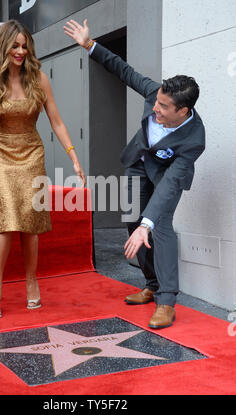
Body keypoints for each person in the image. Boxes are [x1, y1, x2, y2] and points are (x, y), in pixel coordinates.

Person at [64, 19, 205, 329]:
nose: (155, 108)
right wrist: (90, 45)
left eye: (163, 107)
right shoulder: (156, 93)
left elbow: (169, 186)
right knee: (132, 220)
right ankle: (152, 283)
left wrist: (148, 223)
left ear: (182, 111)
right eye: (156, 102)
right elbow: (124, 71)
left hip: (167, 176)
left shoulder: (193, 139)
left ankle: (166, 301)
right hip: (137, 164)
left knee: (159, 225)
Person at [0, 20, 86, 318]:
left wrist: (73, 155)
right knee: (6, 219)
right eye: (15, 45)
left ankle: (31, 280)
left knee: (31, 220)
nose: (21, 51)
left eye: (24, 46)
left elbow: (57, 121)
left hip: (31, 153)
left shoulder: (38, 78)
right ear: (4, 47)